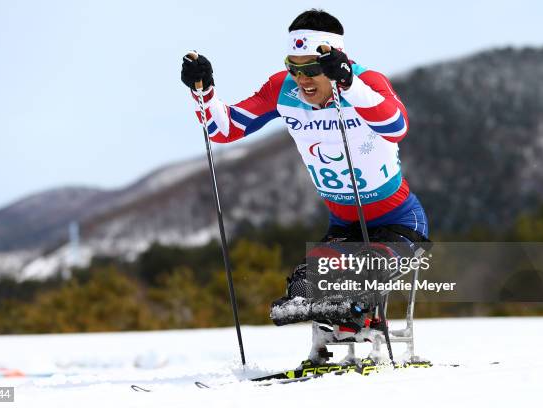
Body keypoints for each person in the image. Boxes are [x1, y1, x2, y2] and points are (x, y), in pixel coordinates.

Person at [181, 9, 430, 365]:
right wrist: (202, 93)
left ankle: (369, 329)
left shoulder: (366, 82)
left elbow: (396, 125)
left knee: (361, 275)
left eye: (312, 69)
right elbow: (225, 129)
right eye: (294, 68)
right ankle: (327, 346)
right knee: (302, 286)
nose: (302, 80)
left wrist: (349, 84)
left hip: (399, 220)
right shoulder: (282, 89)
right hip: (344, 225)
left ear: (333, 62)